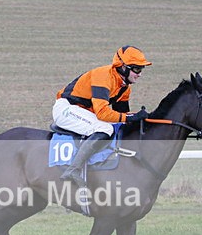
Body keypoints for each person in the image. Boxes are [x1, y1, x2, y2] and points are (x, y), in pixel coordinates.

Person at [53, 45, 152, 189]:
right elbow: (103, 114)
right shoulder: (104, 76)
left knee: (117, 126)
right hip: (67, 109)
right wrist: (131, 118)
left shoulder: (124, 87)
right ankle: (73, 171)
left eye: (141, 69)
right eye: (137, 69)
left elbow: (122, 116)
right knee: (104, 128)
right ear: (123, 67)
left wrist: (141, 118)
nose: (140, 74)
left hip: (83, 112)